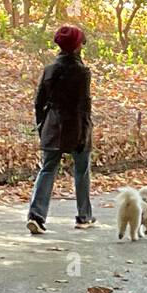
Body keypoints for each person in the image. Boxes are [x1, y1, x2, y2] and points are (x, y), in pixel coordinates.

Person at [26, 24, 95, 235]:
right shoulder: (82, 72)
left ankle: (36, 215)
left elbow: (39, 103)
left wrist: (42, 127)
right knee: (81, 170)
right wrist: (84, 133)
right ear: (76, 48)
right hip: (75, 126)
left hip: (52, 126)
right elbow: (83, 106)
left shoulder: (49, 70)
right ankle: (84, 216)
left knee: (47, 169)